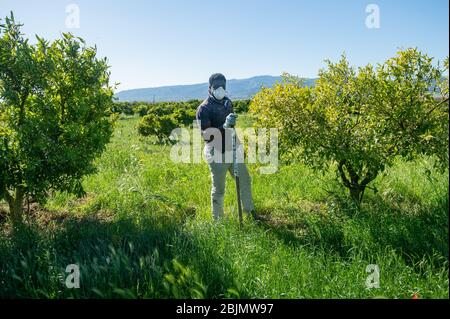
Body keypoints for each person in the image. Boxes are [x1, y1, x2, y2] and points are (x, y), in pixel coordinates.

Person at [196, 73, 255, 220]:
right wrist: (223, 126)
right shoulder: (204, 109)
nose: (220, 89)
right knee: (219, 189)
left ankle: (249, 212)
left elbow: (232, 128)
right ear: (210, 88)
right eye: (217, 87)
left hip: (233, 148)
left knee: (244, 180)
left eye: (223, 86)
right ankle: (218, 221)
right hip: (216, 152)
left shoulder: (228, 103)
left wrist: (239, 146)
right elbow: (206, 136)